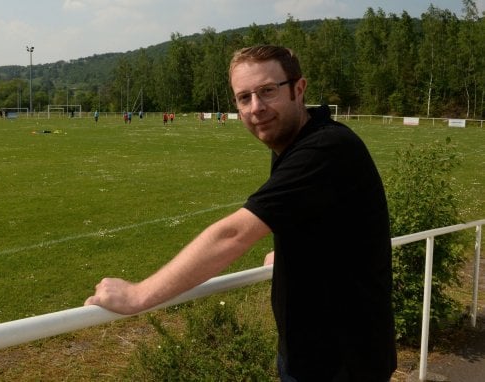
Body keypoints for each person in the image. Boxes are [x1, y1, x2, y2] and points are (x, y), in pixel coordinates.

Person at [85, 45, 396, 381]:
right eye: (244, 97)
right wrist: (293, 252)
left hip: (343, 364)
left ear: (299, 89)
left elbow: (233, 234)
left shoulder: (326, 148)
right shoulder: (293, 143)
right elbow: (319, 217)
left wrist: (137, 295)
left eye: (267, 91)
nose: (256, 107)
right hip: (308, 354)